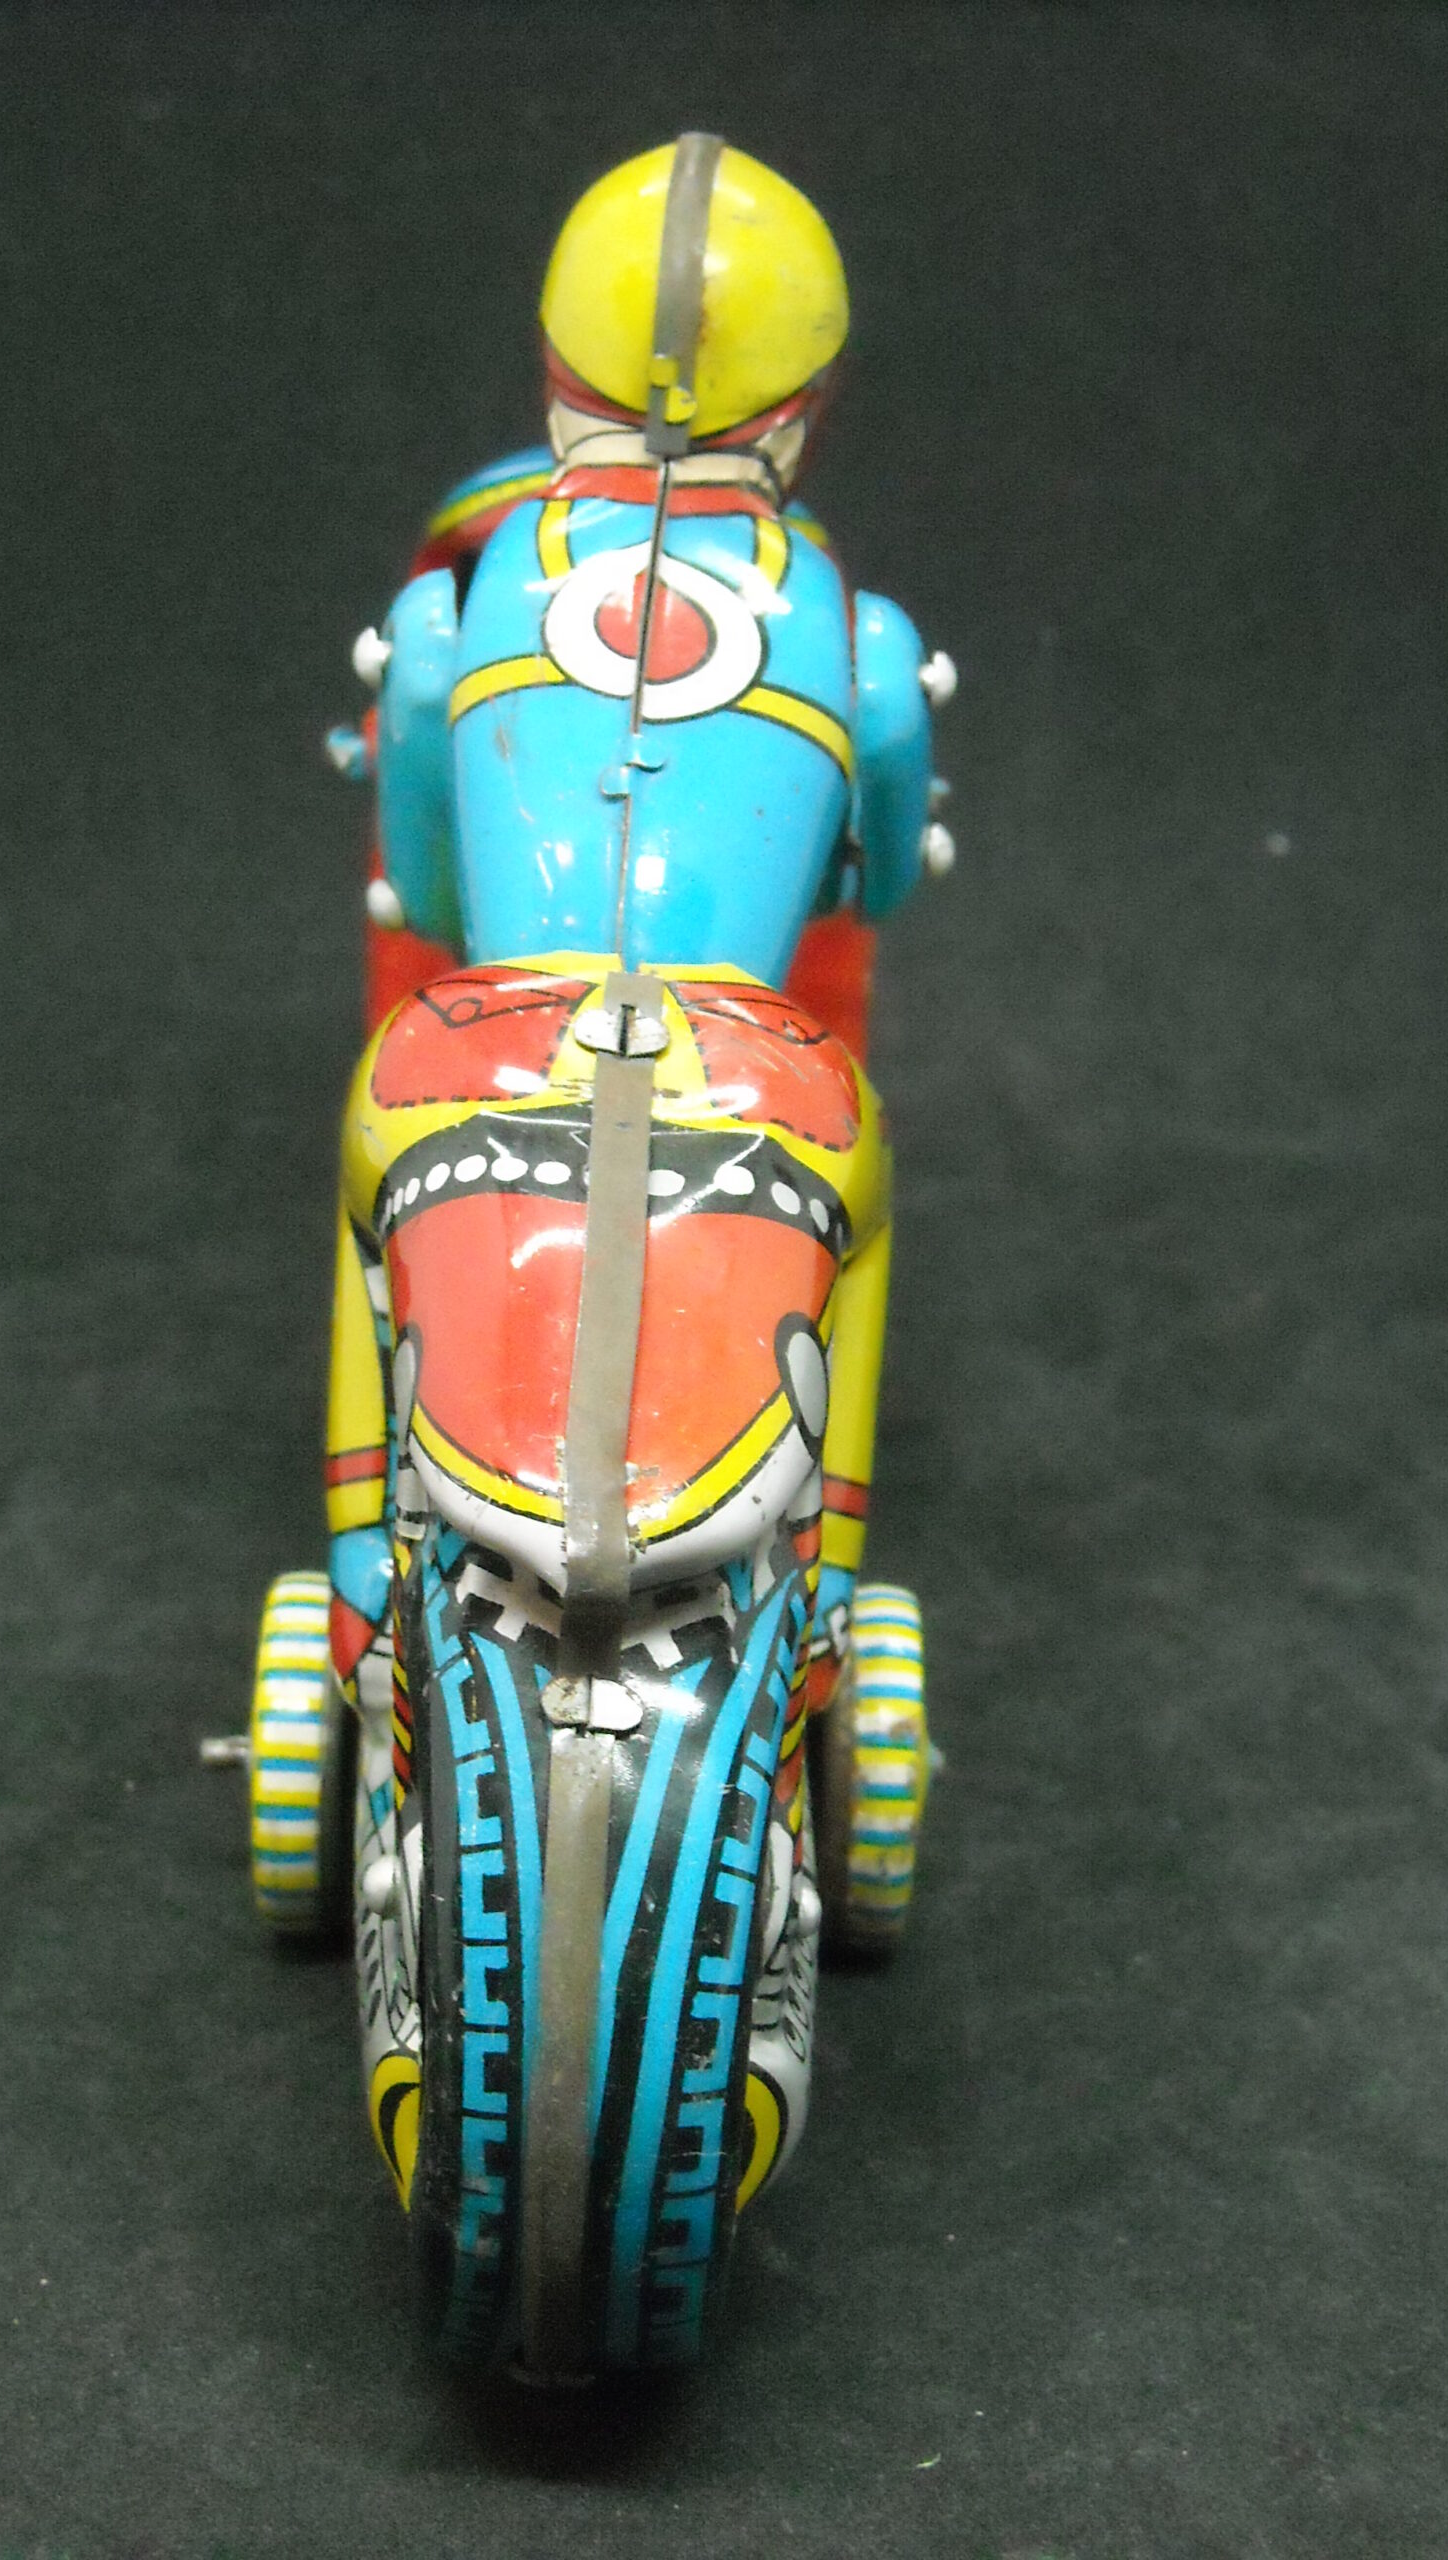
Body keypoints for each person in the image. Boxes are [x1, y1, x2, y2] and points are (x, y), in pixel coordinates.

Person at [325, 137, 952, 1725]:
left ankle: (354, 1570)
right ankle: (827, 1585)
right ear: (800, 410)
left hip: (504, 1020)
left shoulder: (473, 591)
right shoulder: (846, 623)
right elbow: (874, 882)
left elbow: (430, 889)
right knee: (859, 1189)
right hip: (745, 1047)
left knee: (371, 1168)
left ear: (559, 374)